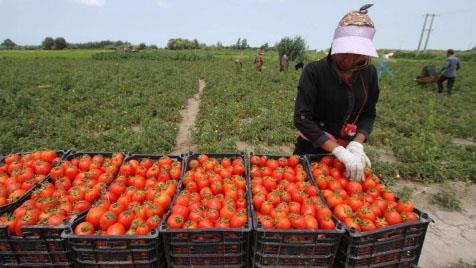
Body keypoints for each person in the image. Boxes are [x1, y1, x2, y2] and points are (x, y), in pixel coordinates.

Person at [293, 4, 380, 181]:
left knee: (339, 199)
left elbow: (368, 114)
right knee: (305, 191)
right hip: (312, 147)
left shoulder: (369, 74)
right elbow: (301, 118)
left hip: (346, 156)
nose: (348, 60)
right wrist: (337, 150)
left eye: (356, 55)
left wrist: (356, 143)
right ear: (335, 45)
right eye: (344, 52)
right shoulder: (315, 72)